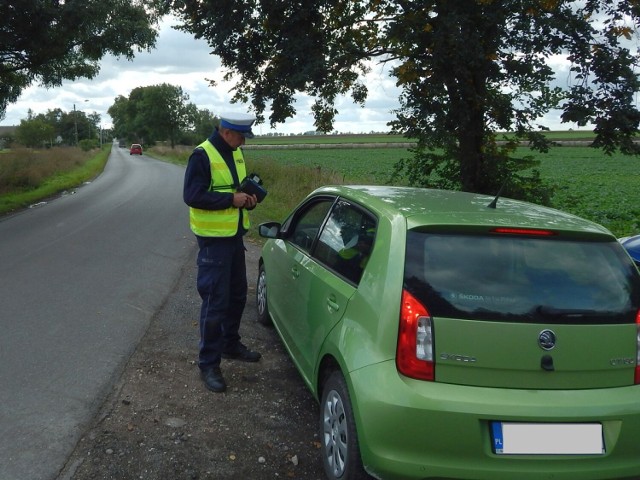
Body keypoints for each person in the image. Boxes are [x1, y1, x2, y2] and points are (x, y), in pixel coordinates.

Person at [183, 112, 262, 393]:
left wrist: (247, 200)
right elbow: (192, 196)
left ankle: (230, 345)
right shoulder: (201, 155)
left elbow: (236, 189)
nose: (243, 142)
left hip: (234, 237)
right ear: (227, 132)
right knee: (215, 302)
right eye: (241, 136)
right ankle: (208, 364)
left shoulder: (234, 152)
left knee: (238, 294)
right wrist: (231, 200)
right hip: (214, 242)